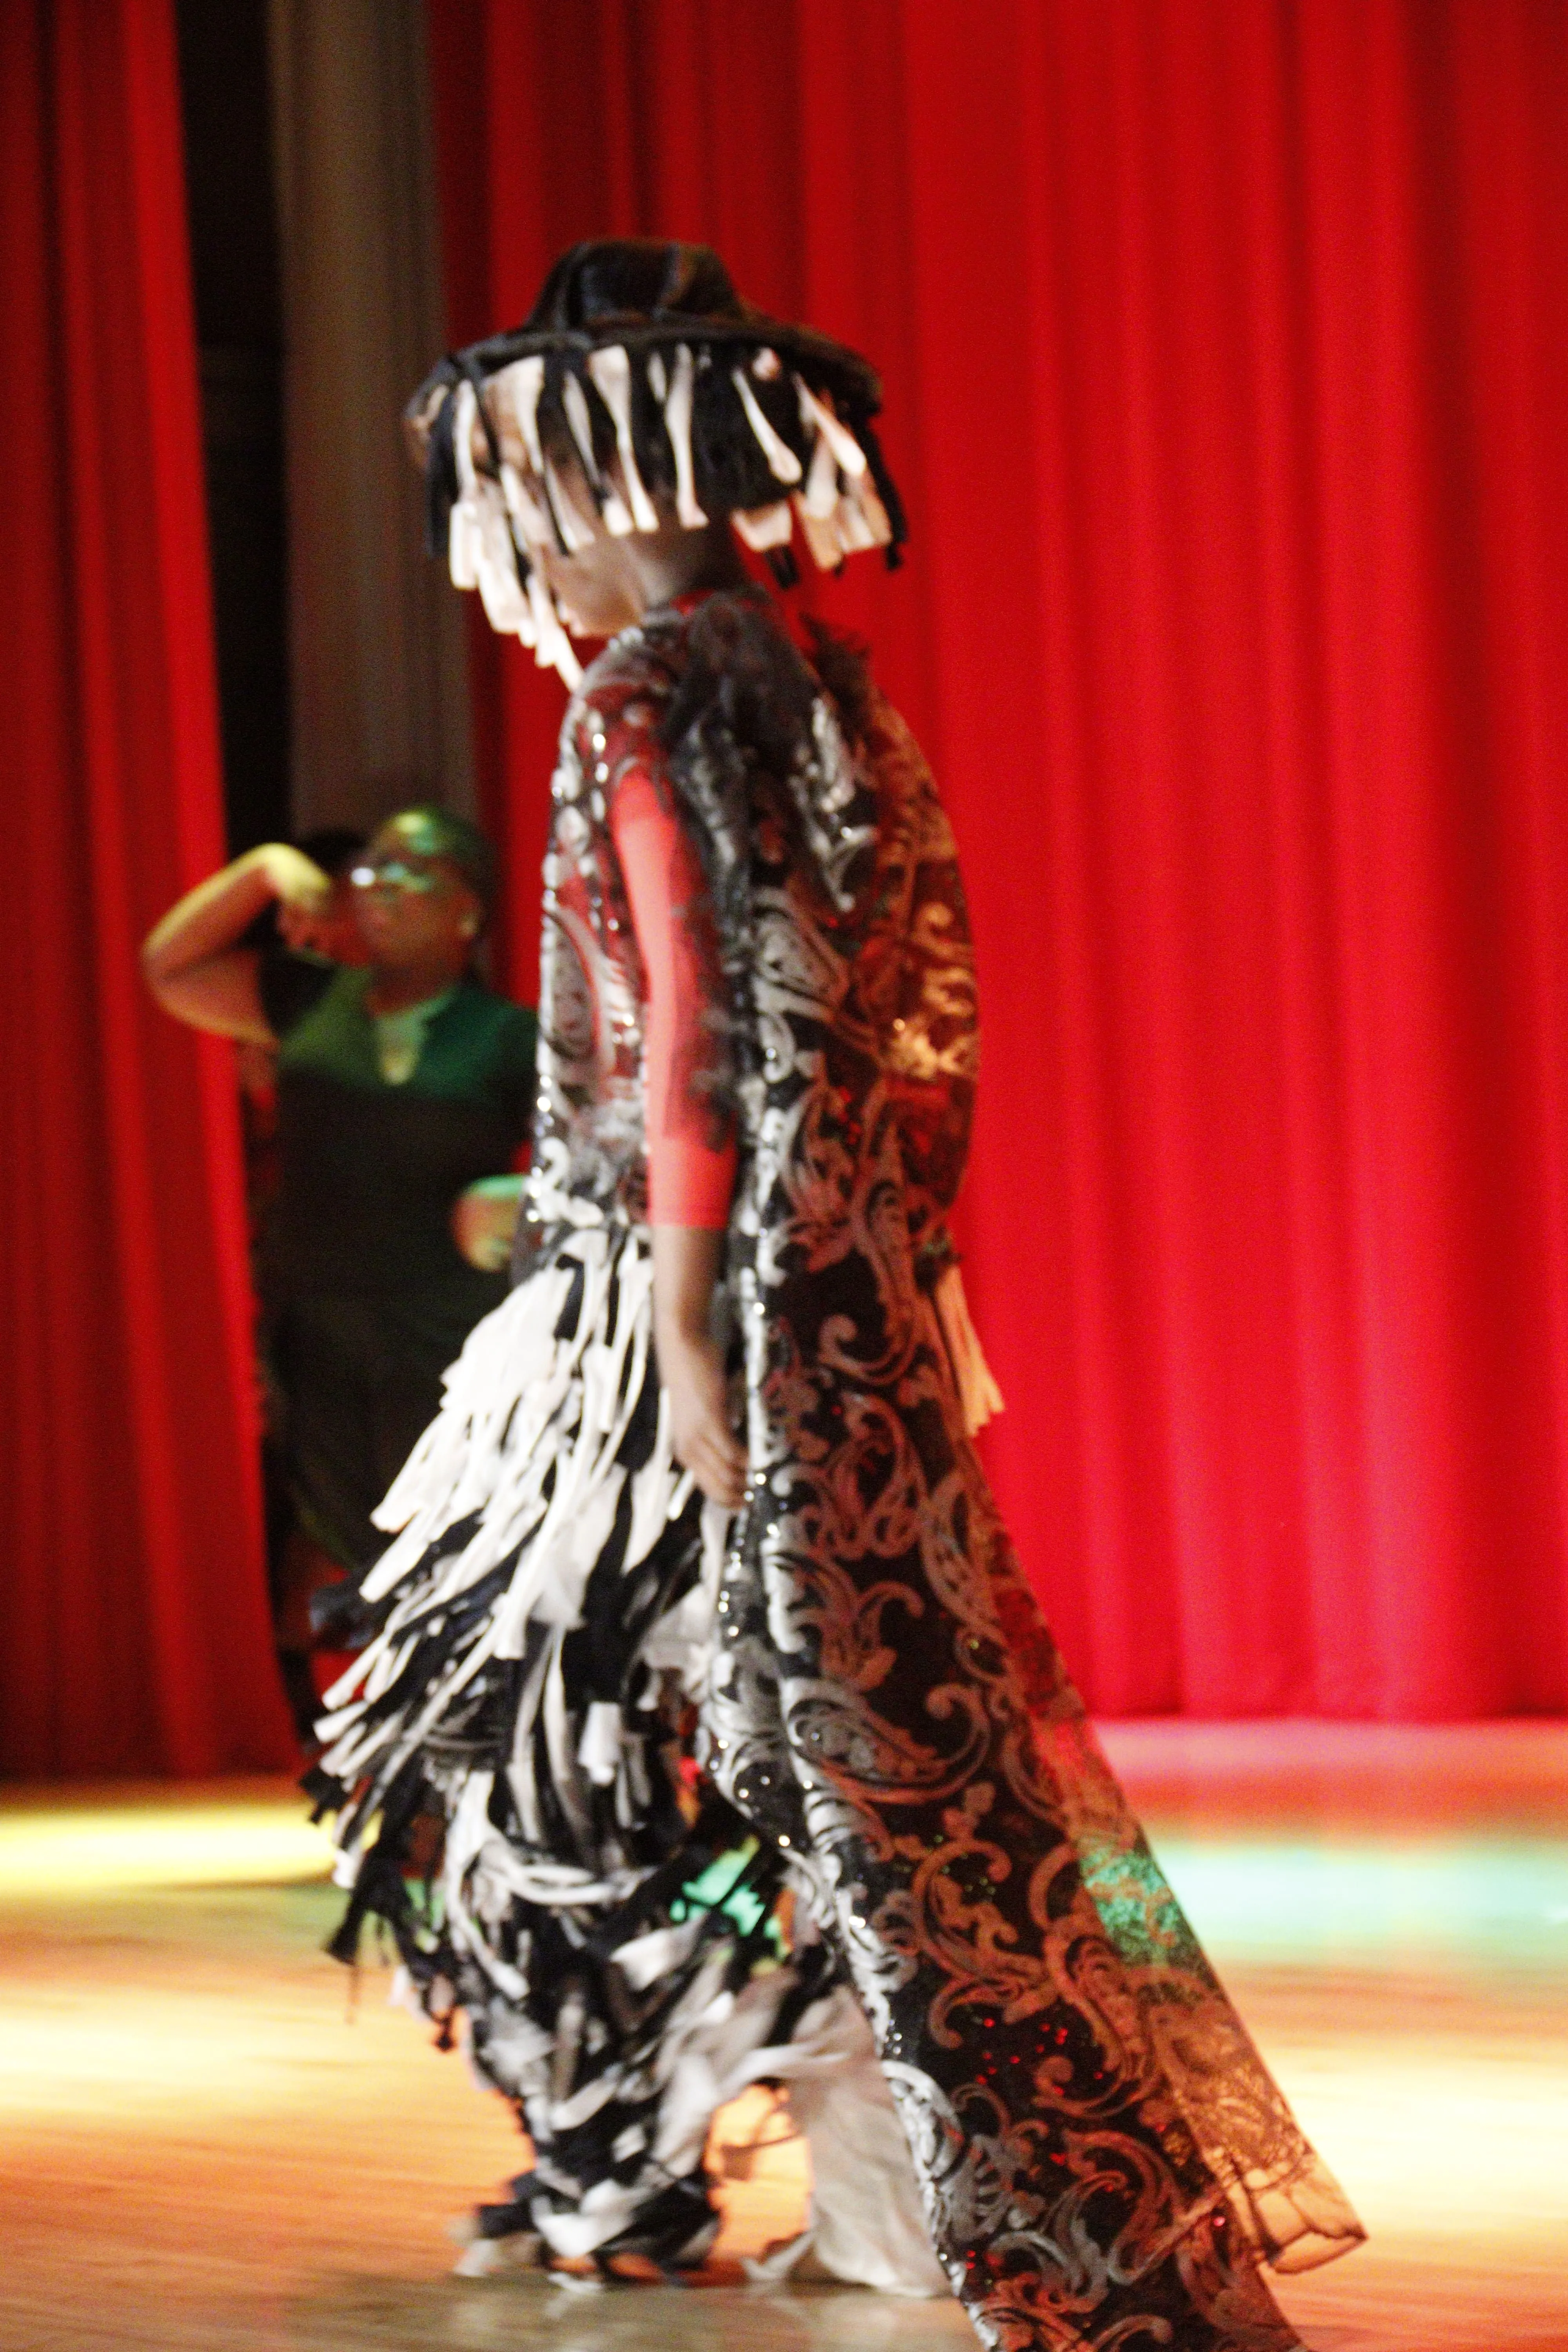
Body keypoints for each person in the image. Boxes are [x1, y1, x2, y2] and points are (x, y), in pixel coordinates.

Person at [309, 243, 1363, 2344]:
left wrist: (685, 1314)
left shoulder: (655, 686)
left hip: (680, 1308)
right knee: (785, 1737)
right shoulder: (800, 665)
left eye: (525, 470)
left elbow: (711, 1011)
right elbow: (852, 1017)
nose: (508, 528)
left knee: (547, 1733)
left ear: (603, 459)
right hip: (803, 1279)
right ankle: (838, 2175)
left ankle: (630, 2166)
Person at [142, 807, 537, 1730]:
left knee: (450, 1556)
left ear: (468, 913)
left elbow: (596, 1164)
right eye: (374, 866)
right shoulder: (307, 1000)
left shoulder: (508, 1036)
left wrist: (511, 1202)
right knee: (356, 1559)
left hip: (449, 1348)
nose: (385, 883)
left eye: (417, 869)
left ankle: (462, 1771)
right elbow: (172, 969)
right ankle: (394, 1776)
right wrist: (268, 868)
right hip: (321, 1340)